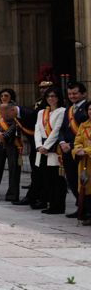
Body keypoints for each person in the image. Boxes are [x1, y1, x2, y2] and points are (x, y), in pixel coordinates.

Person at [34, 87, 66, 214]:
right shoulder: (41, 112)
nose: (51, 99)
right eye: (48, 96)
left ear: (58, 98)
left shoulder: (62, 111)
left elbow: (56, 130)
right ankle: (49, 202)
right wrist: (38, 146)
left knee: (56, 178)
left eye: (54, 96)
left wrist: (46, 146)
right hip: (41, 147)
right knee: (45, 177)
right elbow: (37, 129)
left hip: (53, 147)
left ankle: (58, 205)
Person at [59, 82, 88, 218]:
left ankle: (86, 209)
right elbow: (63, 128)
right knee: (71, 180)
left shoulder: (87, 108)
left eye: (75, 93)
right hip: (67, 150)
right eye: (70, 94)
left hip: (81, 151)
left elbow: (84, 134)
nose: (72, 96)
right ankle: (80, 206)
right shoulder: (68, 109)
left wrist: (71, 145)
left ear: (83, 94)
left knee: (83, 181)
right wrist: (62, 141)